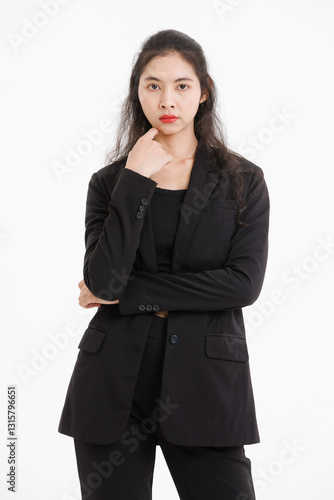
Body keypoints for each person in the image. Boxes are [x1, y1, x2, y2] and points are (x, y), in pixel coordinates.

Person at [58, 29, 270, 499]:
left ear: (203, 92)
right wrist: (135, 179)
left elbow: (242, 284)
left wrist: (131, 294)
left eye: (181, 85)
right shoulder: (111, 181)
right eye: (152, 85)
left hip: (206, 385)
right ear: (137, 92)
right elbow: (103, 278)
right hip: (111, 384)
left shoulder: (243, 181)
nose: (167, 99)